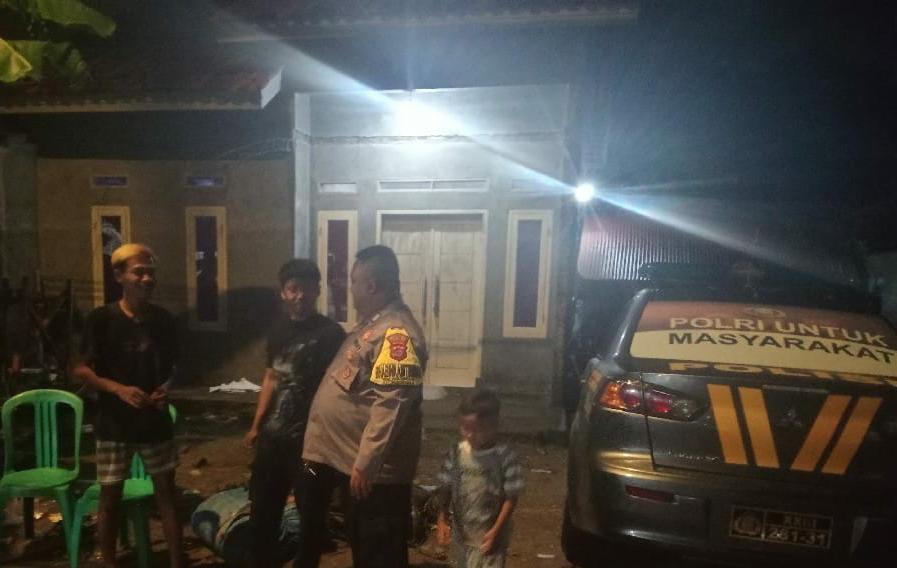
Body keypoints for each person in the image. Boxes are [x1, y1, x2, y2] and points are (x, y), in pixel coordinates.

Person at [298, 244, 428, 568]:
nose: (350, 289)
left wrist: (367, 463)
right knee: (365, 549)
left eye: (354, 282)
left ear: (371, 286)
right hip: (357, 468)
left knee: (378, 552)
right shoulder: (374, 325)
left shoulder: (397, 334)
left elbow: (392, 403)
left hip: (377, 477)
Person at [71, 244, 183, 568]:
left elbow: (177, 367)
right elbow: (79, 368)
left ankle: (177, 563)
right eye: (139, 272)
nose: (147, 279)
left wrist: (166, 389)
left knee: (167, 498)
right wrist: (117, 389)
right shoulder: (101, 319)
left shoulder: (164, 320)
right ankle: (109, 563)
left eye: (151, 273)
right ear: (118, 275)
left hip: (155, 423)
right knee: (110, 500)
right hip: (113, 425)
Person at [243, 259, 345, 567]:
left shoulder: (331, 334)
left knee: (311, 516)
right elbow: (271, 377)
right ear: (283, 293)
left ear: (317, 291)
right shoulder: (278, 331)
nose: (300, 296)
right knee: (263, 512)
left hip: (311, 449)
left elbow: (339, 387)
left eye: (307, 289)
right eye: (293, 289)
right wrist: (256, 425)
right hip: (273, 443)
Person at [436, 388, 525, 568]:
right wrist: (442, 519)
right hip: (463, 535)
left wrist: (495, 531)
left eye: (477, 430)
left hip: (491, 537)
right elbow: (445, 486)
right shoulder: (457, 454)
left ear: (494, 426)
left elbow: (511, 497)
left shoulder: (504, 457)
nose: (470, 435)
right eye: (465, 428)